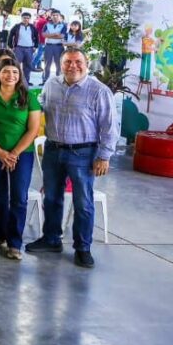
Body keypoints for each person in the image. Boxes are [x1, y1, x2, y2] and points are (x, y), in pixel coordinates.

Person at [28, 48, 115, 269]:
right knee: (52, 198)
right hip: (53, 149)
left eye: (78, 62)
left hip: (83, 154)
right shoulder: (51, 84)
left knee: (83, 203)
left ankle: (82, 248)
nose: (72, 66)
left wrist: (104, 156)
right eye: (67, 62)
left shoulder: (99, 91)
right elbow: (40, 105)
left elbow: (109, 126)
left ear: (87, 64)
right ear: (61, 63)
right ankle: (51, 239)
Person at [0, 61, 41, 261]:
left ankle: (15, 242)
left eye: (15, 72)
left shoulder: (29, 97)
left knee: (19, 196)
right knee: (0, 194)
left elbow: (33, 129)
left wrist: (14, 153)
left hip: (22, 154)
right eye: (6, 72)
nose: (11, 75)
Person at [41, 11, 67, 82]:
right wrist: (55, 34)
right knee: (47, 64)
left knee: (58, 64)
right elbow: (43, 35)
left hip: (58, 47)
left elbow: (62, 36)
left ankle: (59, 80)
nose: (55, 17)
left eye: (57, 15)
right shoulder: (47, 25)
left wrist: (50, 35)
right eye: (53, 15)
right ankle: (45, 79)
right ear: (51, 16)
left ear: (60, 16)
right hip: (48, 46)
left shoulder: (63, 25)